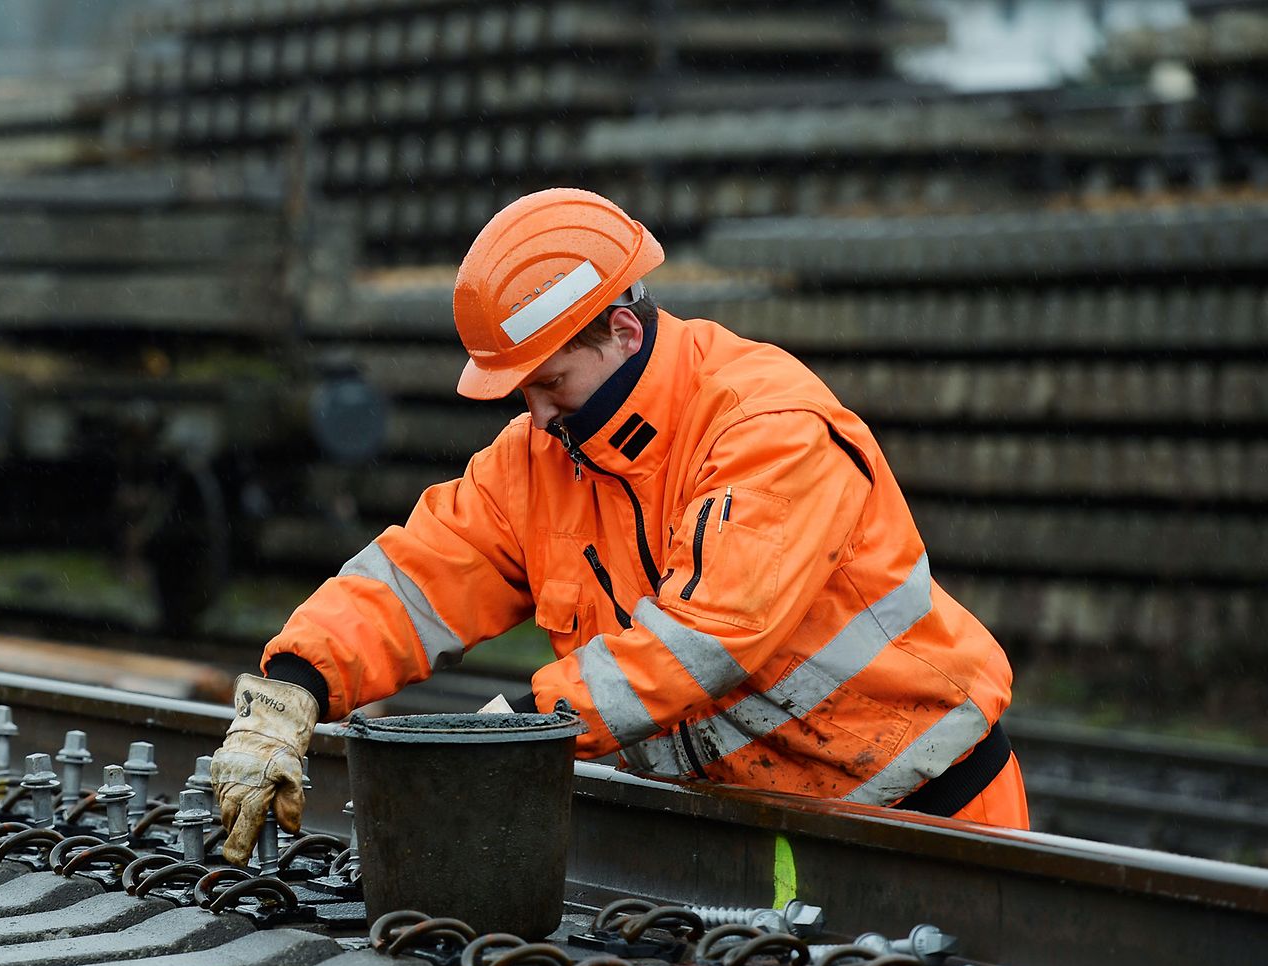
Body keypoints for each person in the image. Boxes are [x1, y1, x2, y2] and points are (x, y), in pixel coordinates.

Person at [211, 188, 1028, 865]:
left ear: (625, 332)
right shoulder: (542, 453)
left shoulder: (766, 425)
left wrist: (514, 733)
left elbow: (706, 636)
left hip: (930, 816)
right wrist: (292, 684)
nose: (534, 412)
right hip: (764, 828)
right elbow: (422, 571)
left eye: (551, 380)